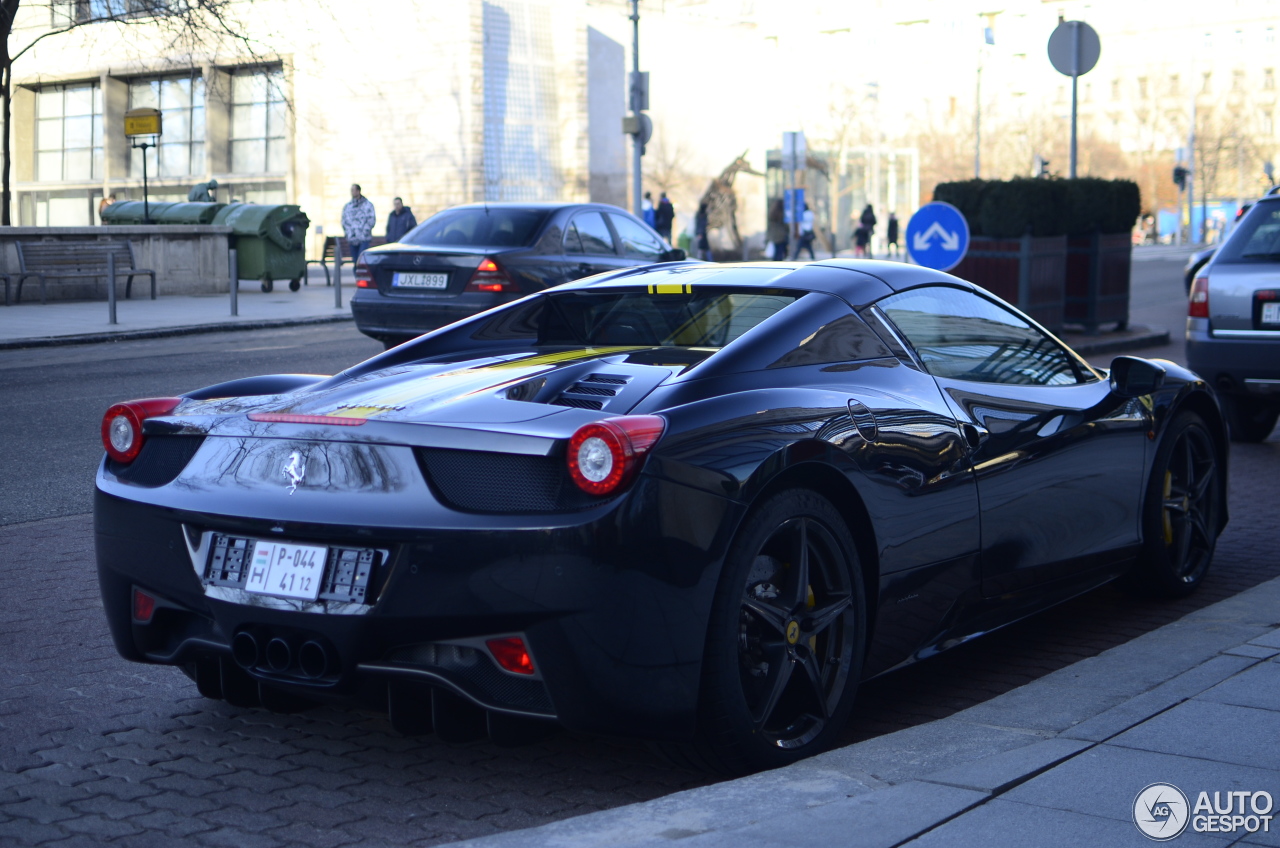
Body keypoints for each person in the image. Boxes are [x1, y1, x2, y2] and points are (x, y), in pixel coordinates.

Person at [342, 183, 376, 264]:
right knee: (355, 262)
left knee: (361, 261)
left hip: (363, 238)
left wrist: (364, 232)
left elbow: (371, 220)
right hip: (352, 238)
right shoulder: (348, 206)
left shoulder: (368, 205)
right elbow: (344, 221)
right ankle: (356, 276)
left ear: (358, 191)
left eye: (353, 190)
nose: (352, 192)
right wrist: (349, 233)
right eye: (351, 190)